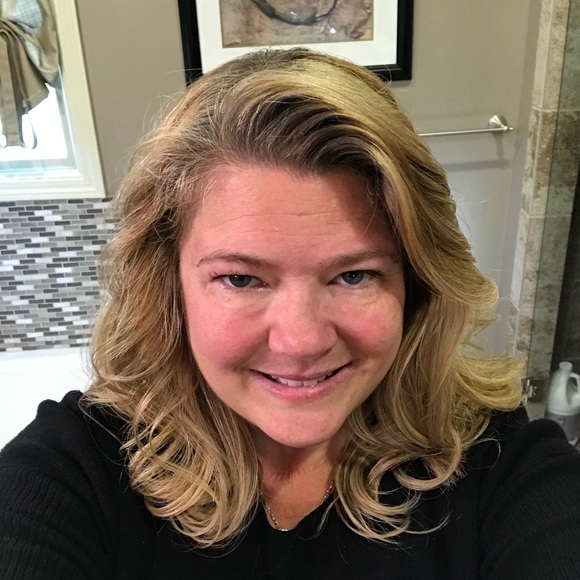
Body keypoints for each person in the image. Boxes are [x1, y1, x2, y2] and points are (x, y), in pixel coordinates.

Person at [1, 48, 579, 580]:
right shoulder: (77, 469)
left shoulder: (501, 467)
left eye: (355, 275)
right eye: (240, 279)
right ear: (170, 286)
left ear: (416, 284)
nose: (301, 341)